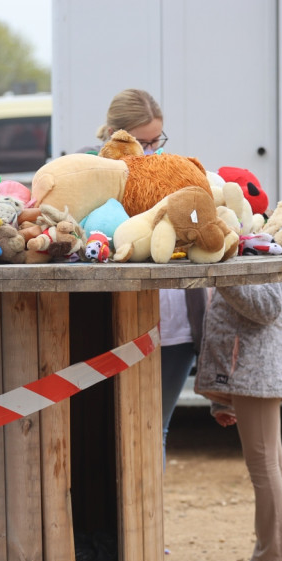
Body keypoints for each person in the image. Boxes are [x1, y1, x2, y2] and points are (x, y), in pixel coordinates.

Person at [91, 88, 207, 460]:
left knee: (155, 428)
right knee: (106, 430)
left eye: (157, 139)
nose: (152, 149)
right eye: (143, 142)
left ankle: (148, 519)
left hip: (175, 328)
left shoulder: (171, 171)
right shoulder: (91, 173)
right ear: (116, 136)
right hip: (111, 323)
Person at [194, 282, 282, 561]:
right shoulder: (265, 244)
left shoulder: (266, 249)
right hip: (252, 368)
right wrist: (221, 397)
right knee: (274, 465)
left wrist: (223, 274)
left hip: (255, 368)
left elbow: (267, 307)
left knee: (265, 466)